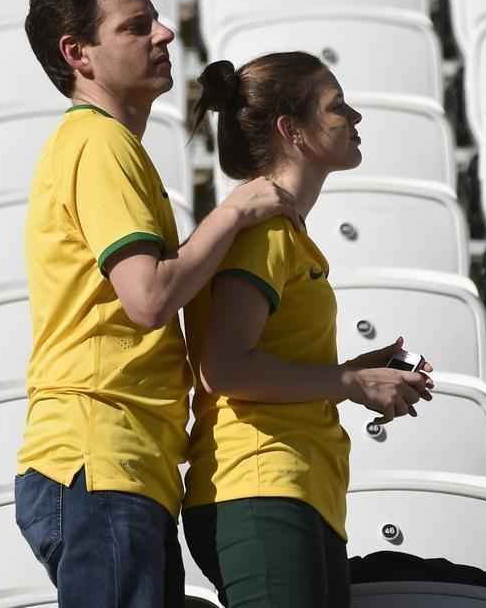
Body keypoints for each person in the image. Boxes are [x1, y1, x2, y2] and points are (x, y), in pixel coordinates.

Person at [13, 0, 301, 608]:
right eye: (135, 26)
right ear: (78, 54)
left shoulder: (106, 147)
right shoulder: (99, 144)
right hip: (100, 458)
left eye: (157, 20)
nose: (164, 34)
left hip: (116, 463)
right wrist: (232, 213)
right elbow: (146, 298)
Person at [182, 54, 435, 608]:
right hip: (259, 485)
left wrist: (359, 372)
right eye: (336, 106)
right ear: (290, 130)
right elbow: (223, 367)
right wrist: (349, 381)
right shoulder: (262, 232)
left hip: (293, 489)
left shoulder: (282, 232)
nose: (355, 116)